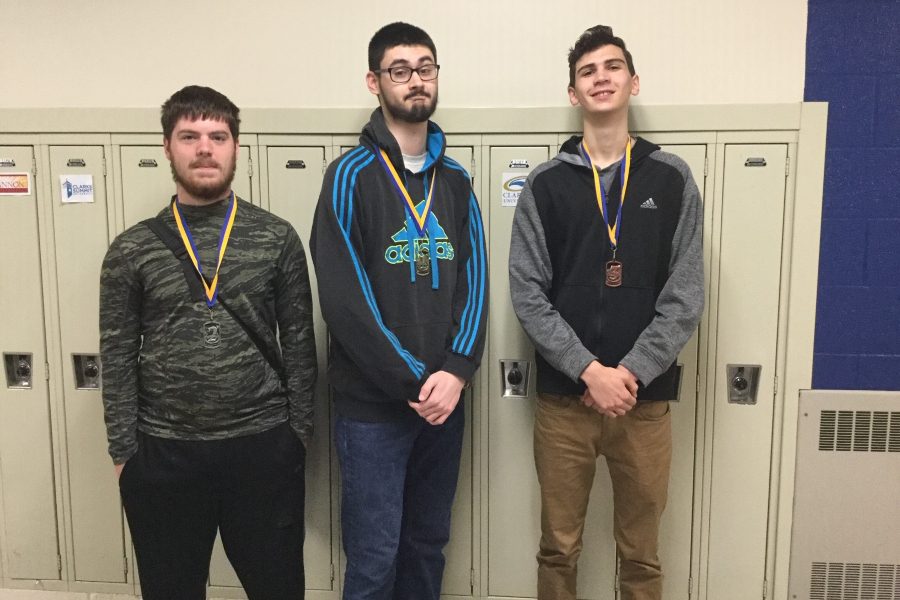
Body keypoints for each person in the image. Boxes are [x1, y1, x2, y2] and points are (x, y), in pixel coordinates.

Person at [509, 25, 704, 600]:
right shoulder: (545, 185)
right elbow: (528, 292)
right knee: (558, 548)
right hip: (565, 404)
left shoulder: (672, 179)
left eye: (612, 67)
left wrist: (631, 373)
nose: (601, 78)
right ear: (574, 93)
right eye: (588, 71)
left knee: (641, 554)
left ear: (632, 82)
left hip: (643, 405)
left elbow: (685, 293)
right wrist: (589, 370)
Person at [99, 85, 316, 600]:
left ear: (236, 146)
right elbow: (117, 353)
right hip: (165, 455)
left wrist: (298, 436)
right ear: (167, 147)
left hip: (263, 450)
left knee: (278, 588)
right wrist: (124, 451)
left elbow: (302, 344)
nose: (204, 148)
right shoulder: (132, 249)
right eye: (189, 135)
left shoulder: (276, 237)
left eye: (218, 136)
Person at [310, 22, 488, 600]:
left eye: (426, 68)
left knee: (427, 545)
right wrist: (416, 380)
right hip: (374, 409)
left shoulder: (457, 182)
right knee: (374, 555)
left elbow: (476, 283)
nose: (416, 81)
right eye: (400, 70)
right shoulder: (348, 176)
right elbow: (343, 297)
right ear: (375, 81)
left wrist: (456, 371)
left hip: (447, 401)